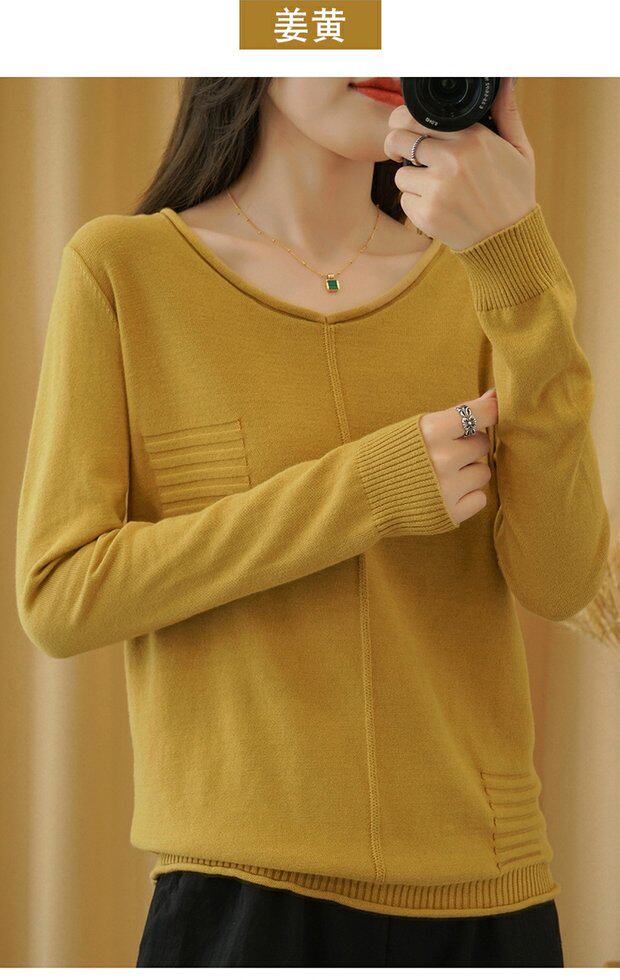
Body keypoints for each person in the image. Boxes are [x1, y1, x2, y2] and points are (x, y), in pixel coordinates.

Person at [15, 76, 609, 967]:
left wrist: (515, 257)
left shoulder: (484, 277)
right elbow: (61, 595)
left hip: (489, 893)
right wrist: (367, 488)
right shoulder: (123, 270)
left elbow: (561, 580)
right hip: (243, 898)